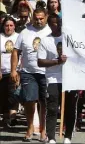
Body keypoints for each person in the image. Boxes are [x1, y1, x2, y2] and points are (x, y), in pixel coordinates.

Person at [11, 8, 52, 142]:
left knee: (44, 102)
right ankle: (30, 127)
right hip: (29, 72)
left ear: (46, 17)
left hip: (47, 73)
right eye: (36, 18)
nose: (38, 21)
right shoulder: (25, 32)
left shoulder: (52, 31)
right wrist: (13, 70)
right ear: (32, 17)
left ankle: (43, 130)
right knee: (29, 100)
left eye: (41, 18)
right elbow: (16, 51)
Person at [37, 14, 78, 144]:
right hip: (53, 78)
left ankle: (68, 136)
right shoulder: (45, 41)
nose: (57, 25)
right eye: (54, 23)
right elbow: (40, 62)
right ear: (49, 25)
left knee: (70, 108)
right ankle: (51, 137)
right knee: (53, 108)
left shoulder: (69, 38)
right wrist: (57, 62)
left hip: (69, 78)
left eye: (59, 22)